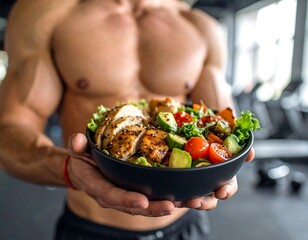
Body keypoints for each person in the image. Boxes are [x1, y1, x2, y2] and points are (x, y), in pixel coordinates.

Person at [0, 0, 255, 239]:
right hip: (92, 227)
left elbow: (222, 125)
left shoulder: (200, 26)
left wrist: (224, 168)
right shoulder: (45, 13)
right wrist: (70, 170)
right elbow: (9, 129)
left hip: (185, 225)